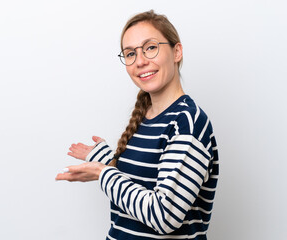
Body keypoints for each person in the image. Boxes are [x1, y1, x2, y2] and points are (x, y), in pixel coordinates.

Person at [55, 10, 219, 240]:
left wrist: (103, 173)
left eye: (150, 47)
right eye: (130, 53)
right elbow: (142, 183)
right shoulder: (145, 117)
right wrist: (105, 158)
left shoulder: (188, 123)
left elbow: (164, 216)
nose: (140, 61)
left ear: (177, 52)